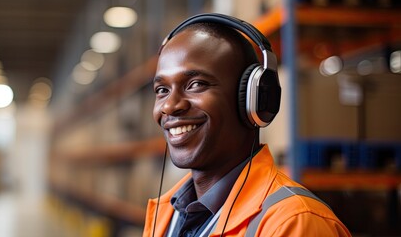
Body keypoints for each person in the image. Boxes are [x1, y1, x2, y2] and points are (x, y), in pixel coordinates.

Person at [143, 13, 351, 237]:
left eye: (196, 84)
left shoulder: (296, 224)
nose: (170, 106)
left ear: (254, 100)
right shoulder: (165, 216)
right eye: (162, 90)